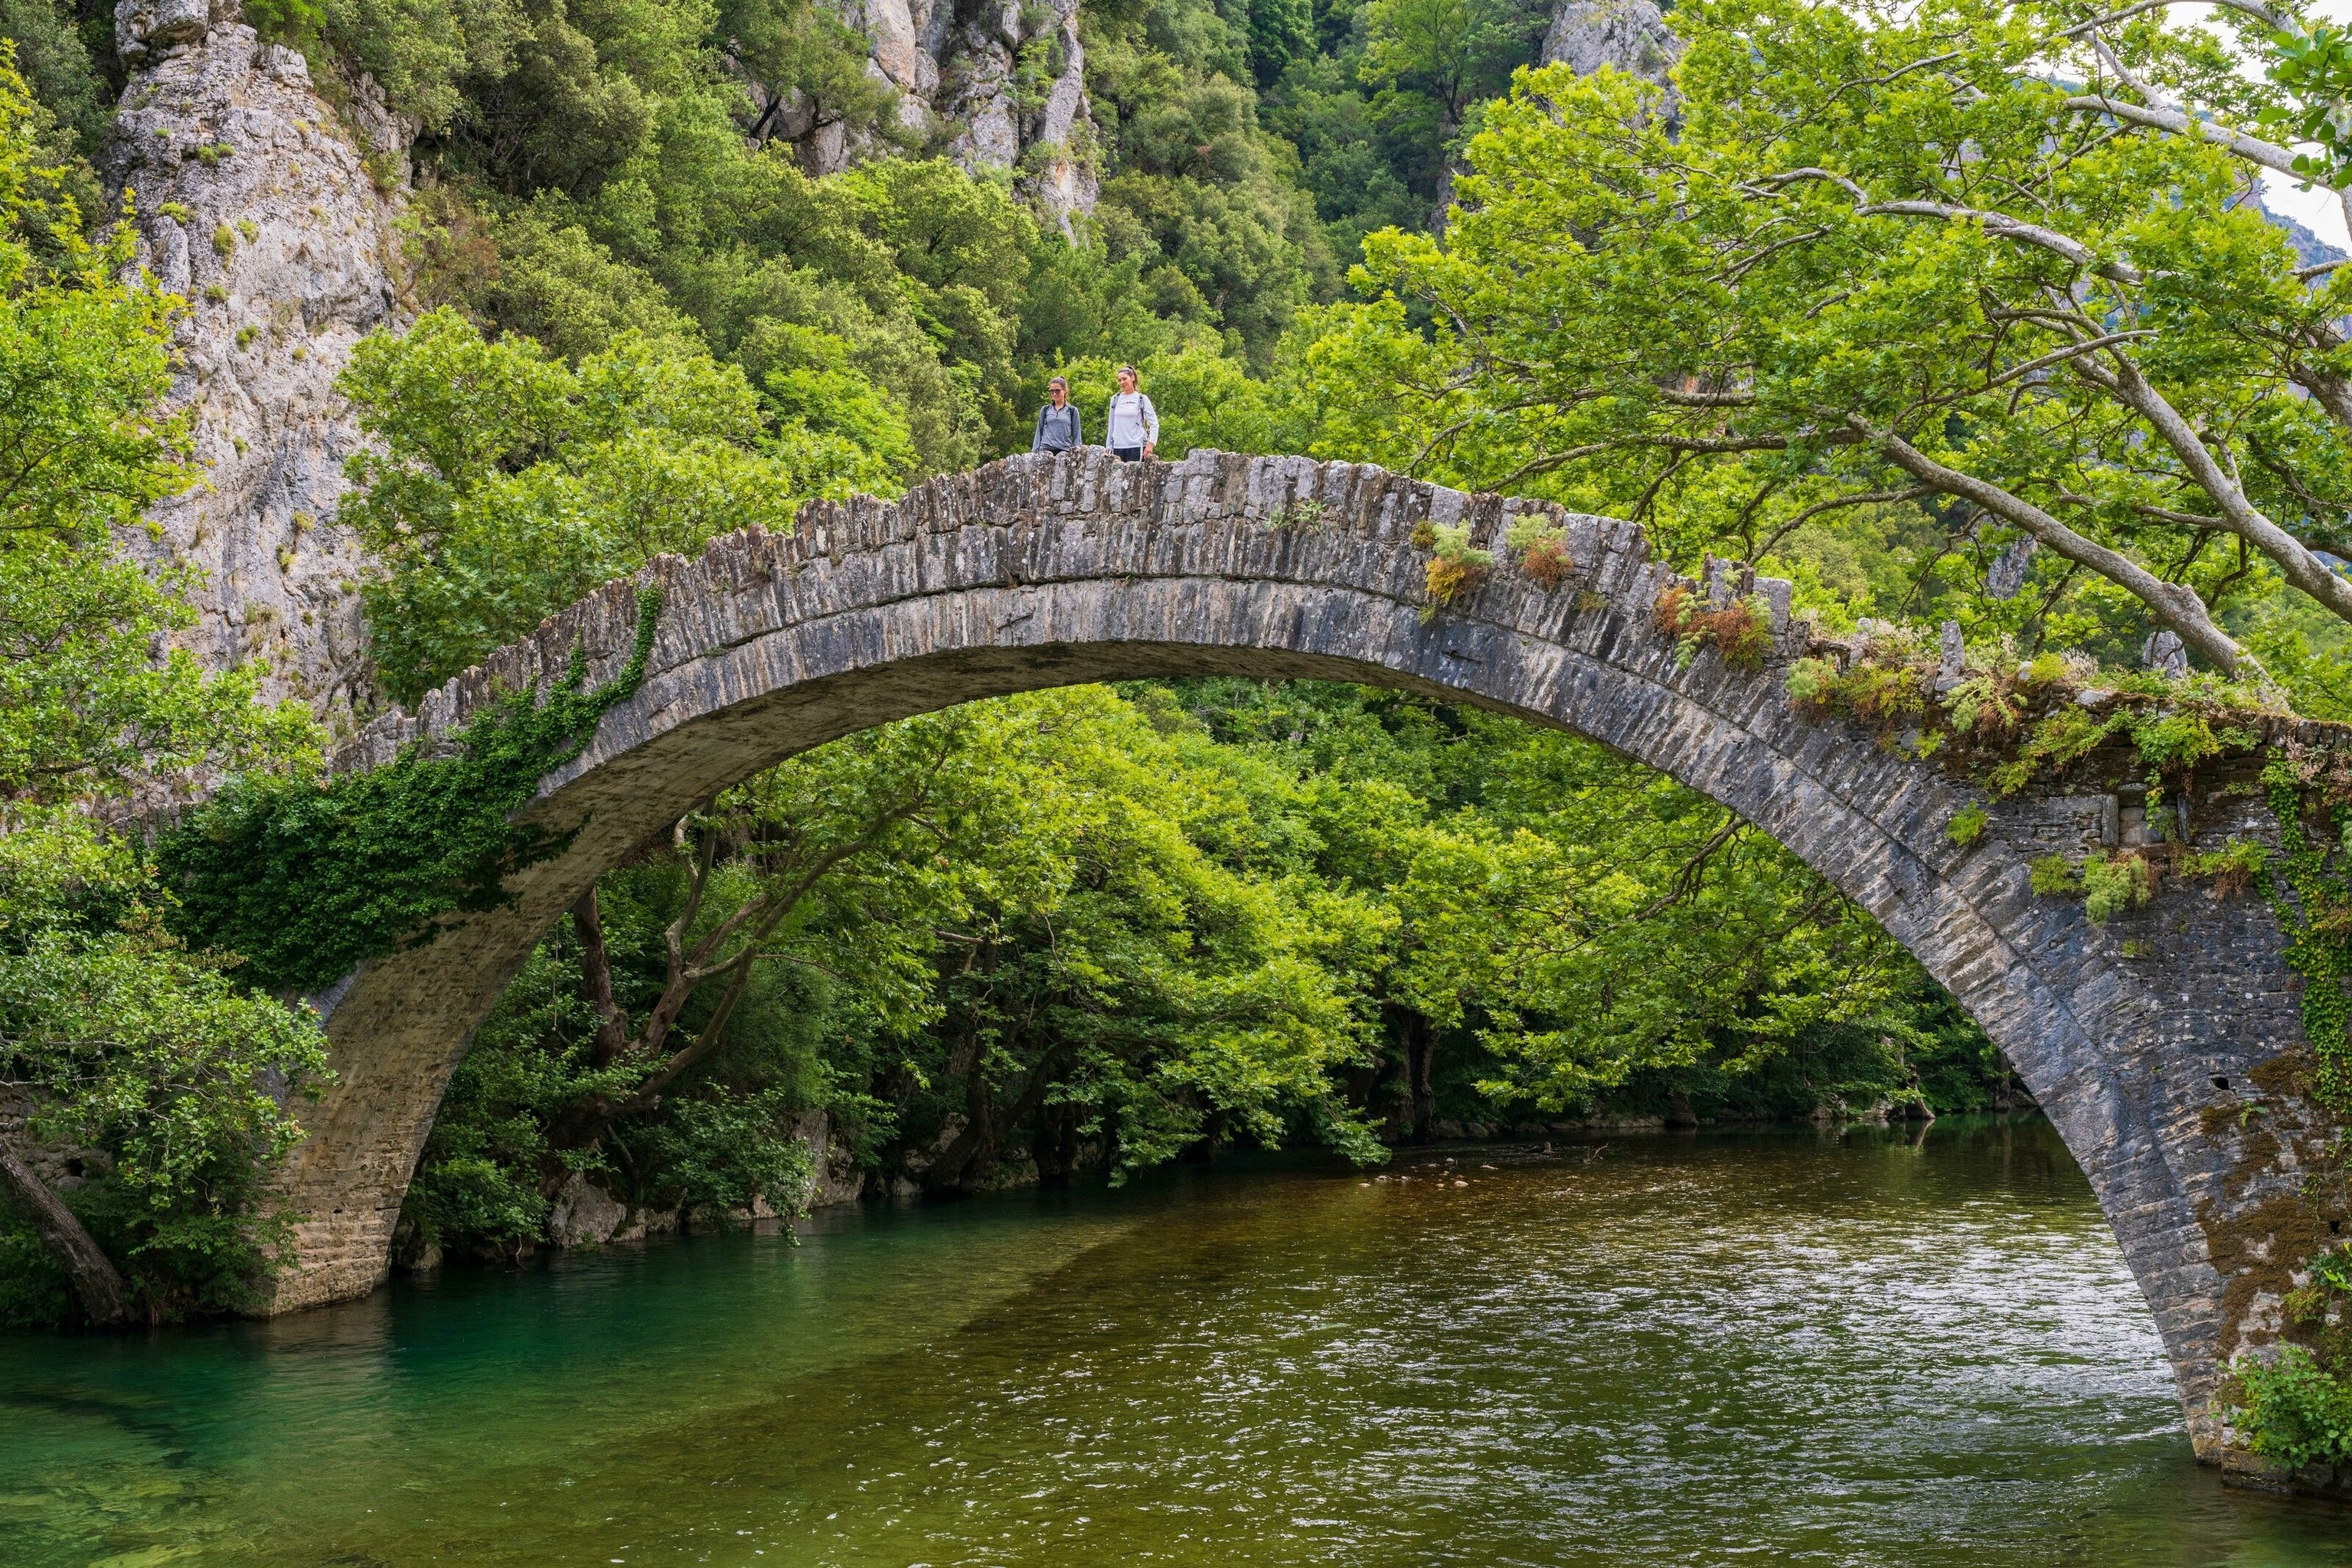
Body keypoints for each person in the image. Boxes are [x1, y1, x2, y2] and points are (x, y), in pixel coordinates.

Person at [1104, 364, 1158, 462]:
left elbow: (1154, 423)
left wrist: (1151, 444)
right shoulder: (1115, 399)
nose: (1122, 382)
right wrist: (1108, 446)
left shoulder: (1142, 399)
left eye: (1124, 379)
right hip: (1118, 447)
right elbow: (1111, 424)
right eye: (1119, 380)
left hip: (1136, 446)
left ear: (1132, 378)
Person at [1031, 375, 1082, 453]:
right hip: (1045, 451)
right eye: (1052, 391)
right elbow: (1039, 432)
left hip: (1065, 451)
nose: (1054, 394)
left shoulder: (1072, 411)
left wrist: (1077, 452)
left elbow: (1077, 435)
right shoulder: (1045, 410)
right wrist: (1034, 451)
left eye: (1057, 391)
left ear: (1064, 390)